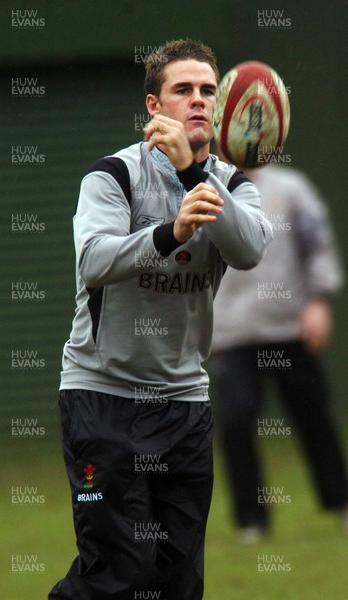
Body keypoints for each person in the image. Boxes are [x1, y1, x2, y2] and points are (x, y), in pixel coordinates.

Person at [48, 39, 273, 599]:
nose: (198, 101)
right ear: (154, 107)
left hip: (184, 404)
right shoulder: (112, 176)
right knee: (117, 573)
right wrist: (169, 233)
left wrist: (197, 172)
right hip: (104, 397)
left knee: (176, 581)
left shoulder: (231, 184)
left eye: (207, 91)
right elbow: (94, 261)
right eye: (182, 90)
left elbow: (248, 250)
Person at [211, 162, 348, 544]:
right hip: (234, 333)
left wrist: (318, 301)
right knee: (236, 423)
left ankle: (341, 502)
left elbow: (317, 244)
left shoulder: (290, 188)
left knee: (314, 417)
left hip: (290, 327)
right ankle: (251, 521)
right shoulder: (207, 187)